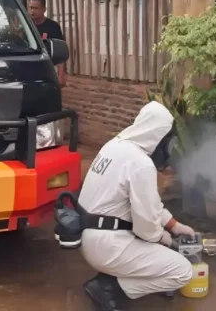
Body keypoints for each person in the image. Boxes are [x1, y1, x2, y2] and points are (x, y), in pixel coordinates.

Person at [78, 101, 196, 311]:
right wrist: (165, 238)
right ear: (158, 136)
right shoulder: (140, 164)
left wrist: (174, 225)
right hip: (108, 246)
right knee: (182, 271)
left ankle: (112, 276)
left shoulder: (115, 146)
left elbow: (149, 203)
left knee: (156, 242)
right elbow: (146, 227)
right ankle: (108, 287)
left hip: (92, 236)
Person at [28, 0, 66, 88]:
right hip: (30, 69)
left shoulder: (53, 27)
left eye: (35, 8)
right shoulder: (27, 26)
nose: (32, 11)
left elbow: (60, 52)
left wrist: (61, 76)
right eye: (31, 8)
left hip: (48, 70)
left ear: (44, 10)